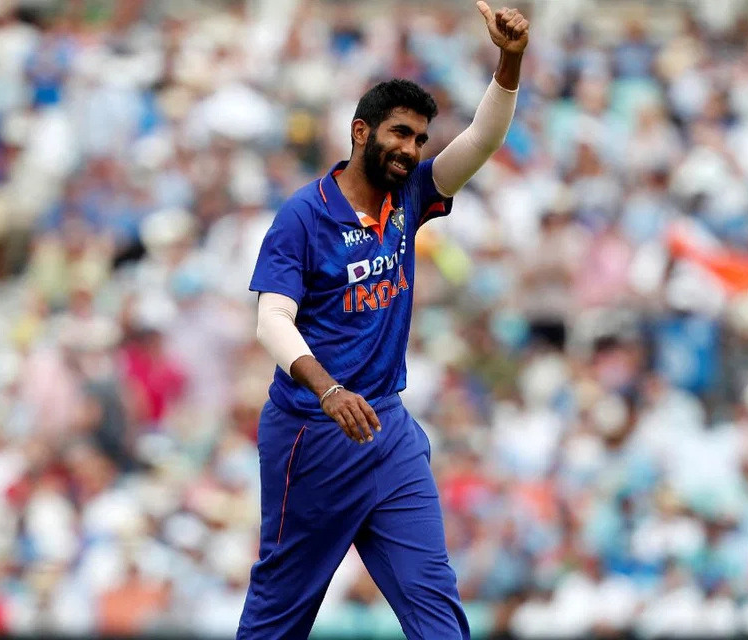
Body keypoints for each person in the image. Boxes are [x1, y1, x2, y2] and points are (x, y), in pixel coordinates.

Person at [238, 3, 528, 639]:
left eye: (420, 139)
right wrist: (329, 388)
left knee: (438, 615)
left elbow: (482, 140)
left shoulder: (411, 196)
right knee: (277, 619)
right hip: (313, 435)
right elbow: (272, 321)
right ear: (361, 132)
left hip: (388, 430)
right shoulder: (303, 217)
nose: (411, 149)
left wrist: (509, 58)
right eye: (399, 133)